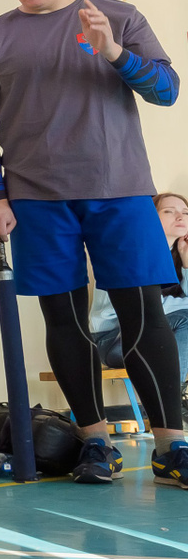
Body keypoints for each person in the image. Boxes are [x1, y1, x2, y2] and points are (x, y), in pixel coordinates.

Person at [0, 0, 184, 486]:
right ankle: (95, 442)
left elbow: (166, 90)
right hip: (36, 200)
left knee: (143, 314)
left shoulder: (117, 17)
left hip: (122, 191)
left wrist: (113, 53)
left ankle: (171, 446)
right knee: (63, 318)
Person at [88, 193, 188, 488]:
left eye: (185, 212)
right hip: (113, 339)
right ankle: (173, 400)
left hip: (155, 340)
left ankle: (171, 400)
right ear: (149, 217)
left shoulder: (177, 256)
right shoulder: (128, 248)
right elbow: (134, 312)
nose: (180, 217)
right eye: (169, 211)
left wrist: (186, 264)